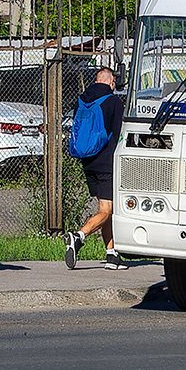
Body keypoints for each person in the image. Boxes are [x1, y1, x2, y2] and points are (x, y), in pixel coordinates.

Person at [65, 66, 125, 270]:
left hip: (88, 160)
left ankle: (111, 255)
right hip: (107, 162)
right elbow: (117, 133)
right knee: (107, 211)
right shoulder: (114, 101)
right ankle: (79, 236)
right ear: (111, 83)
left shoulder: (81, 100)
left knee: (104, 209)